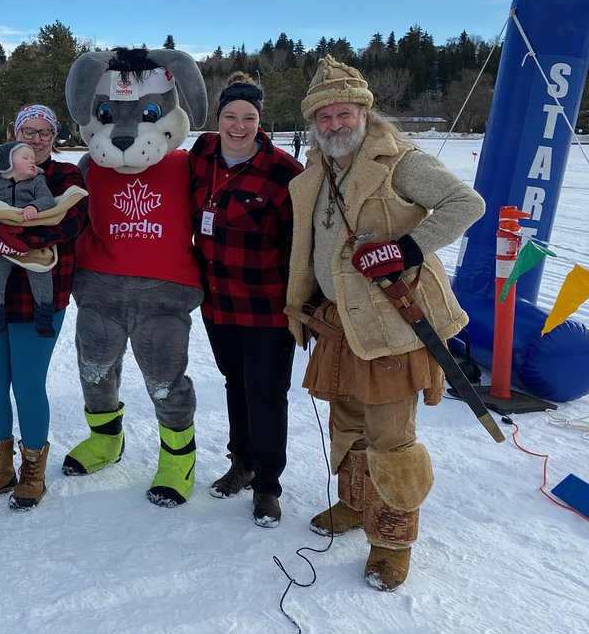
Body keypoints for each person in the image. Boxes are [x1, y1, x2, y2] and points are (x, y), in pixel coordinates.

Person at [284, 55, 485, 590]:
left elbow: (466, 203)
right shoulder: (318, 171)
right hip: (337, 324)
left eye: (343, 114)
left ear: (365, 113)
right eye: (323, 118)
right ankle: (356, 504)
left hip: (392, 325)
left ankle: (393, 540)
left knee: (391, 438)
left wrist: (405, 249)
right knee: (346, 421)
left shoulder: (400, 161)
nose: (334, 125)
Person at [187, 73, 303, 527]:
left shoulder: (284, 173)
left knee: (267, 394)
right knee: (235, 383)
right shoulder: (200, 156)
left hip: (266, 306)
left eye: (248, 117)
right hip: (217, 303)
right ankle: (243, 460)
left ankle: (268, 486)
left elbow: (301, 246)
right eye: (231, 116)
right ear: (218, 118)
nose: (239, 125)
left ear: (261, 119)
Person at [0, 104, 88, 511]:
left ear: (54, 137)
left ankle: (33, 470)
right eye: (27, 131)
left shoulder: (65, 176)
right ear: (14, 129)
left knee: (28, 384)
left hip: (39, 300)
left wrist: (7, 233)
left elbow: (69, 223)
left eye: (44, 133)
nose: (35, 139)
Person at [0, 141, 58, 338]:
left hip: (29, 240)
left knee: (41, 271)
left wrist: (34, 206)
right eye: (25, 158)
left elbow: (47, 199)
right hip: (1, 242)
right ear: (6, 163)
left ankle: (44, 316)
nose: (32, 161)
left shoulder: (37, 182)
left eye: (33, 159)